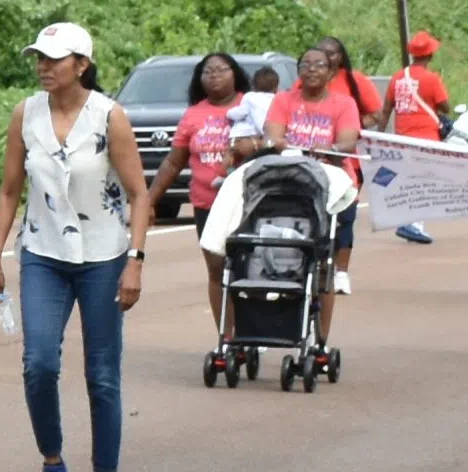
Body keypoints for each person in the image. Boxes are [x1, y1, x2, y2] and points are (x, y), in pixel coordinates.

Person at [0, 20, 148, 472]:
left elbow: (140, 194)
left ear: (82, 65)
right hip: (43, 253)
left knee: (102, 374)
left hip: (103, 255)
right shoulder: (25, 114)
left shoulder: (108, 117)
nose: (43, 66)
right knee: (39, 365)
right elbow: (10, 190)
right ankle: (53, 466)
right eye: (39, 57)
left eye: (55, 59)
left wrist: (134, 262)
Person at [251, 38, 366, 338]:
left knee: (323, 264)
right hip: (290, 183)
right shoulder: (284, 101)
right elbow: (273, 134)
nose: (312, 70)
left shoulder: (344, 103)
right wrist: (277, 143)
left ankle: (321, 338)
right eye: (306, 65)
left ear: (331, 72)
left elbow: (348, 141)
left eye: (319, 65)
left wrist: (327, 148)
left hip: (332, 183)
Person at [140, 50, 250, 335]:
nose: (214, 76)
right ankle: (227, 338)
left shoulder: (249, 106)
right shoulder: (193, 114)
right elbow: (174, 161)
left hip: (249, 204)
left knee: (248, 272)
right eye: (207, 71)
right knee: (217, 270)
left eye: (221, 70)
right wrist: (149, 200)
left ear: (235, 74)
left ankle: (252, 330)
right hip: (207, 206)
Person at [385, 31, 451, 140]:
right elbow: (446, 108)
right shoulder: (432, 79)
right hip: (428, 140)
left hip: (403, 141)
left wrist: (377, 138)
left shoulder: (397, 77)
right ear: (430, 55)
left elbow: (385, 112)